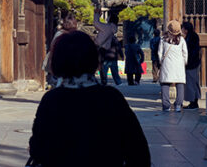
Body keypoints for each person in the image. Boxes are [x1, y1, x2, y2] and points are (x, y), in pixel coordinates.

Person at [28, 31, 150, 166]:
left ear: (57, 61)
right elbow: (139, 151)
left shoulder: (52, 100)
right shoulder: (112, 98)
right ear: (94, 59)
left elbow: (38, 148)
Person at [158, 19, 189, 112]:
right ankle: (178, 105)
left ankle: (166, 105)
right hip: (179, 64)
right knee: (180, 84)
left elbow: (160, 53)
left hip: (167, 64)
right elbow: (185, 53)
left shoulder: (163, 39)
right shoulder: (182, 40)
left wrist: (161, 62)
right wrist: (184, 62)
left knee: (165, 83)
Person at [43, 14, 79, 87]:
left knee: (60, 82)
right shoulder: (76, 34)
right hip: (66, 63)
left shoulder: (59, 33)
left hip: (62, 62)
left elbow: (52, 48)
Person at [93, 9, 122, 85]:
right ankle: (111, 82)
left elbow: (96, 23)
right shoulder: (113, 29)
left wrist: (96, 14)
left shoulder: (107, 27)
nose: (107, 18)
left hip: (99, 47)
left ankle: (102, 81)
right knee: (111, 70)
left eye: (108, 17)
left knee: (101, 67)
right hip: (107, 51)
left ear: (110, 19)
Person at [182, 21, 202, 109]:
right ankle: (194, 101)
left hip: (191, 63)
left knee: (191, 83)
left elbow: (191, 51)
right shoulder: (193, 36)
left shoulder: (191, 37)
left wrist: (187, 60)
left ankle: (193, 102)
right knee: (194, 82)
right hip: (195, 62)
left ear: (186, 29)